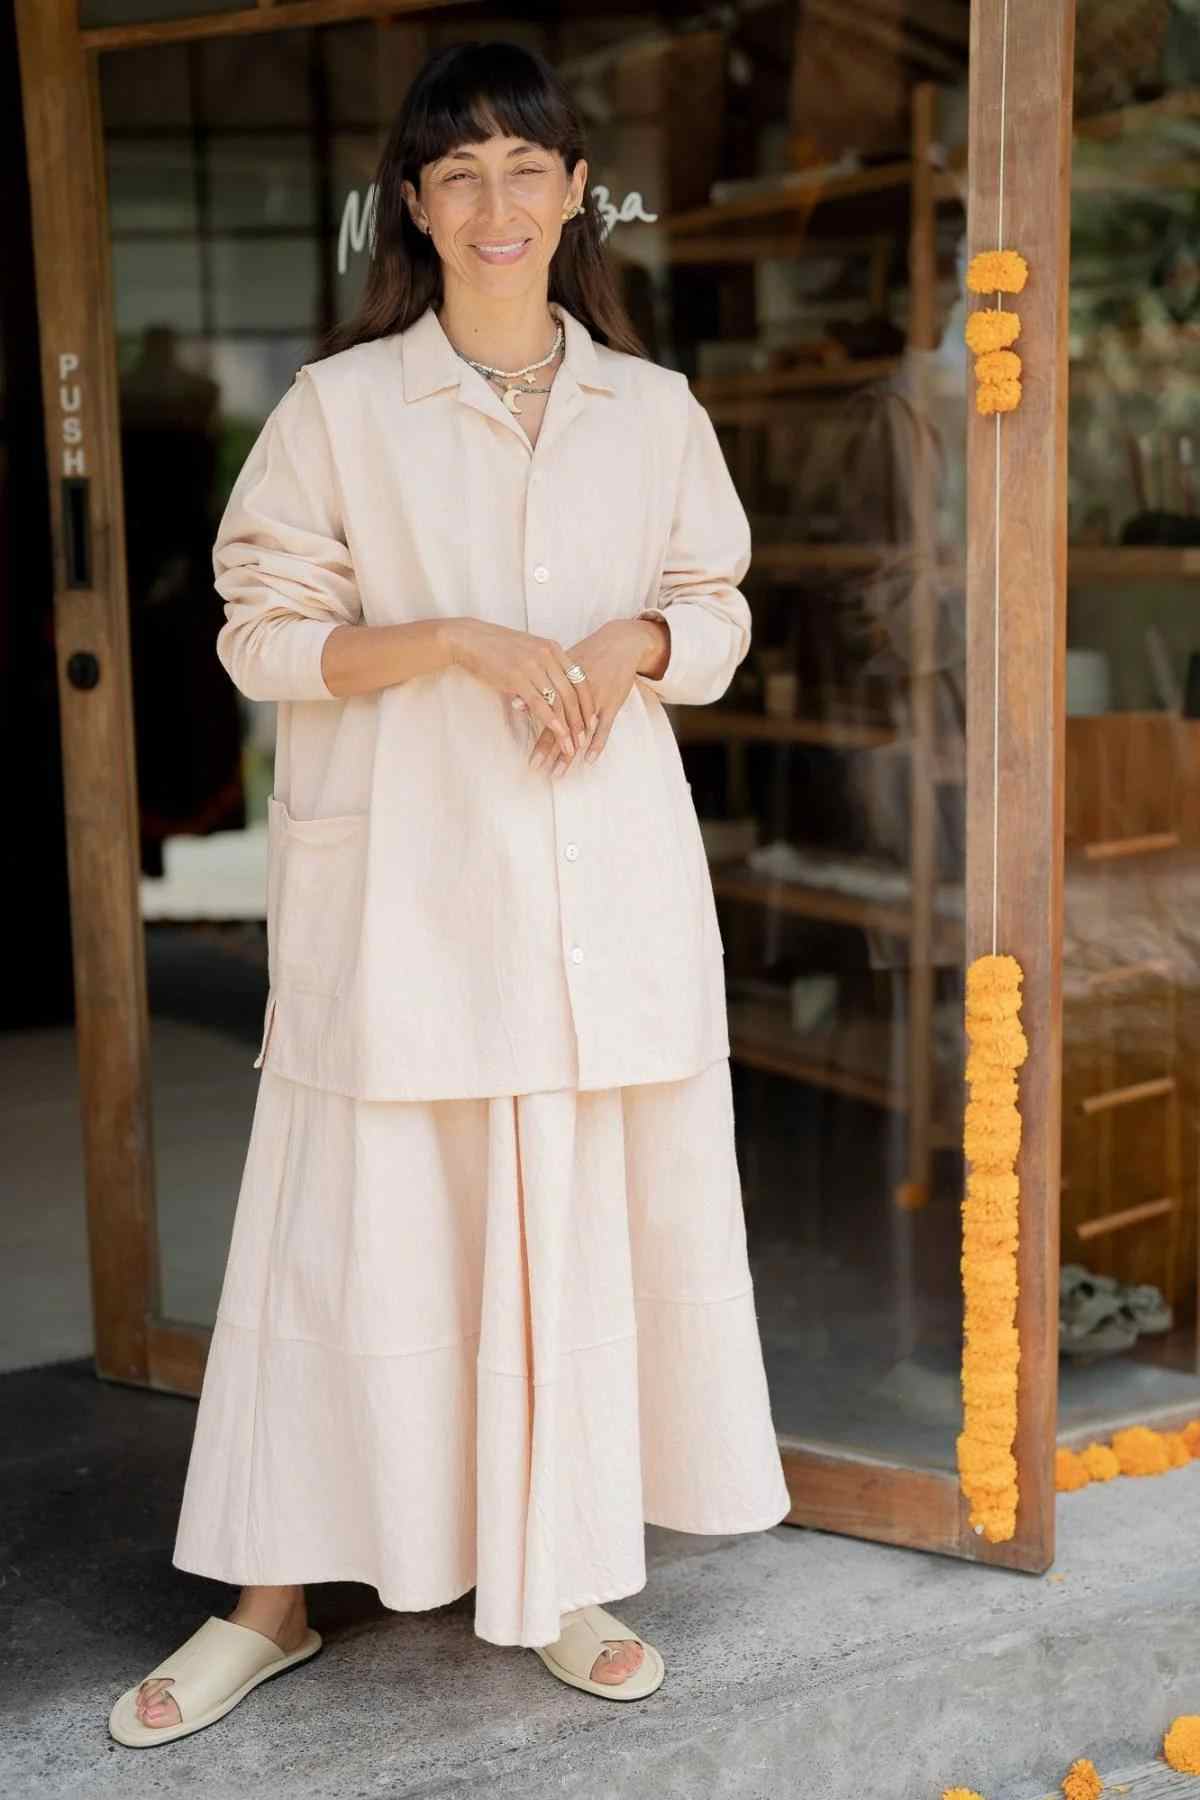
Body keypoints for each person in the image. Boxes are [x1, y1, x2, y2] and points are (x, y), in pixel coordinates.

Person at [108, 38, 790, 1748]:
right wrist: (464, 642)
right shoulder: (340, 410)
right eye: (459, 172)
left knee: (562, 1224)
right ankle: (269, 1602)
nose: (497, 203)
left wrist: (627, 645)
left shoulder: (657, 409)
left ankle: (559, 1570)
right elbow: (257, 631)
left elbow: (714, 610)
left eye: (527, 167)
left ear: (574, 194)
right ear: (414, 206)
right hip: (405, 898)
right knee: (353, 1239)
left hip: (596, 891)